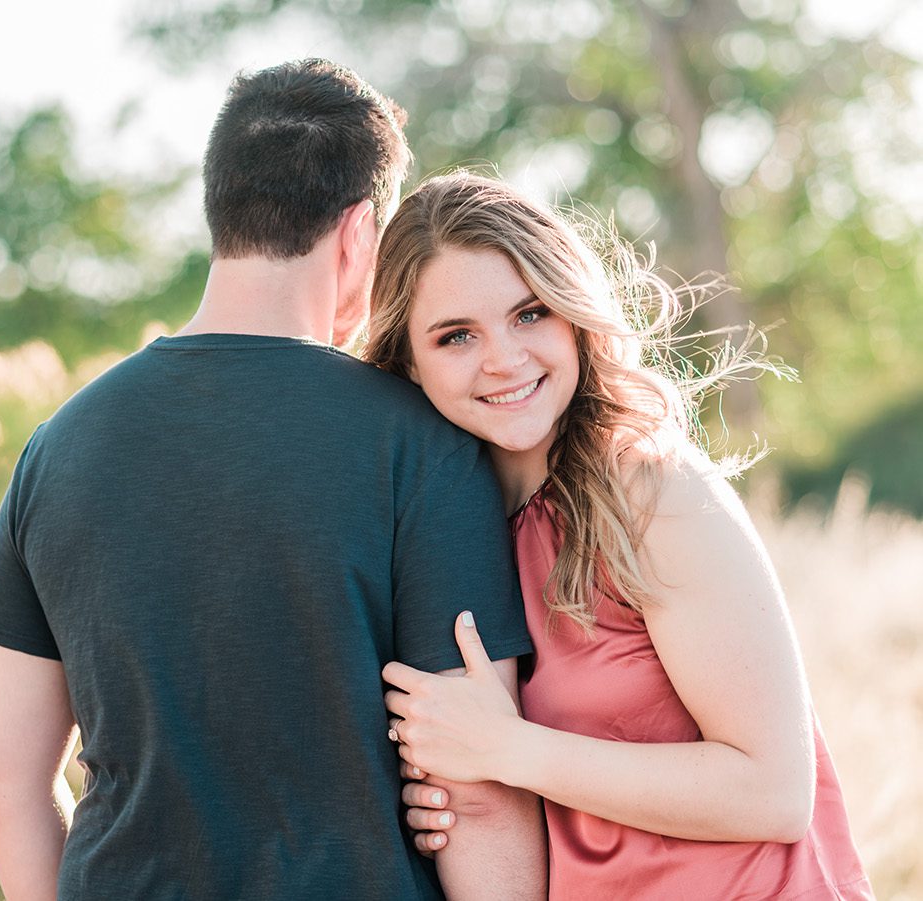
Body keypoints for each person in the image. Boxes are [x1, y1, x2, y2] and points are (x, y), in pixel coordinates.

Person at [0, 63, 545, 900]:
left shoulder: (55, 451)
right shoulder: (422, 446)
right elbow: (477, 790)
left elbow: (1, 778)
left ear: (222, 211)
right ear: (359, 236)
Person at [366, 171, 872, 899]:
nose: (504, 358)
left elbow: (773, 789)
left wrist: (510, 750)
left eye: (531, 314)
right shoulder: (448, 533)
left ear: (575, 315)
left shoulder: (650, 488)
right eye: (457, 336)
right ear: (408, 361)